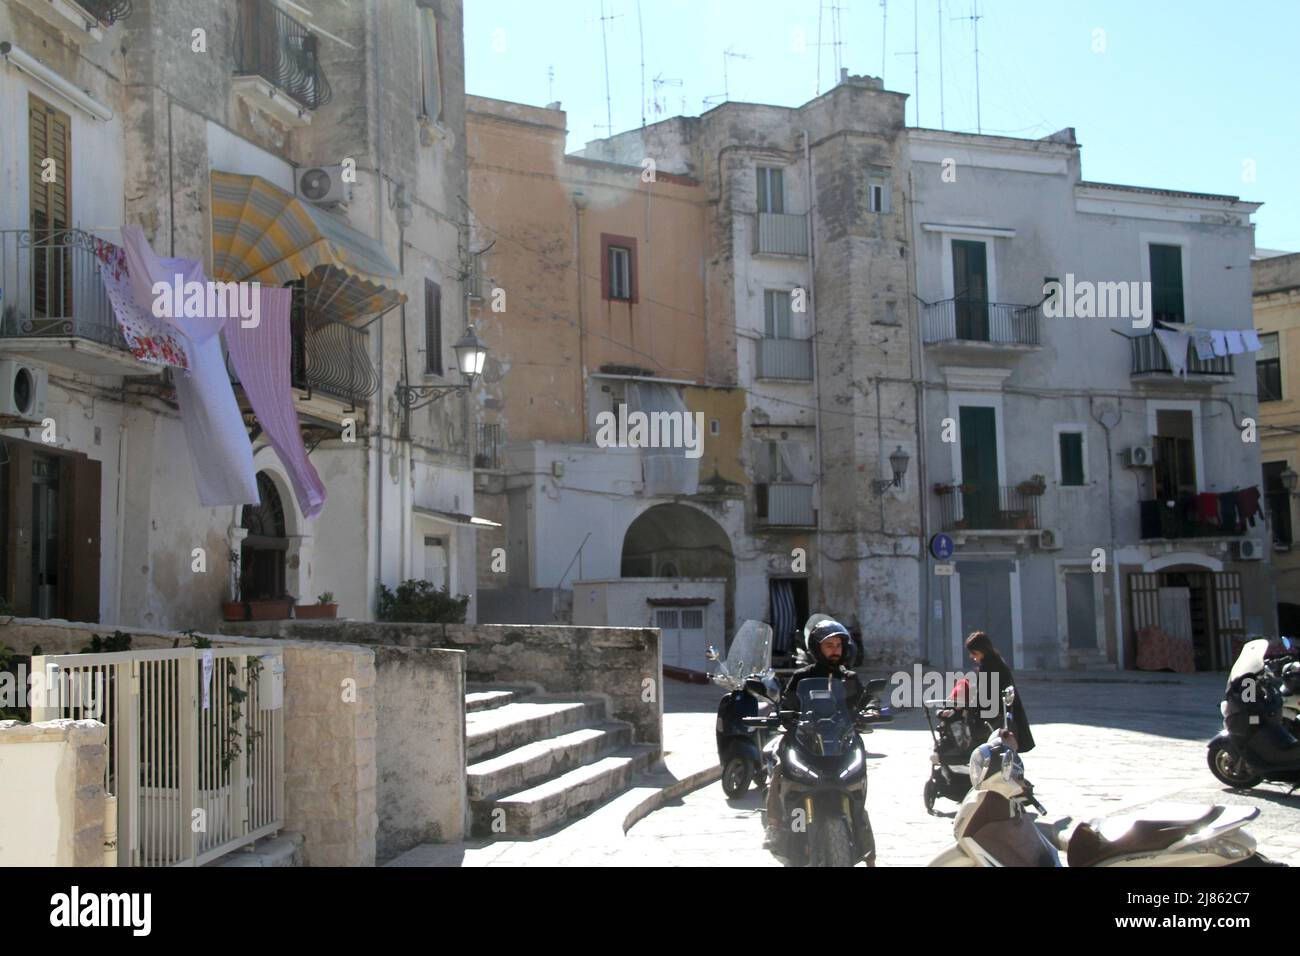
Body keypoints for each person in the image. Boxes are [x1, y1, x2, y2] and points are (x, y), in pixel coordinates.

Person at [764, 617, 876, 862]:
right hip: (806, 742)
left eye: (837, 645)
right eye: (829, 646)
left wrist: (872, 710)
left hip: (841, 743)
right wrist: (780, 715)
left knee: (858, 788)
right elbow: (787, 703)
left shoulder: (850, 678)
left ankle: (867, 847)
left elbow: (865, 703)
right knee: (780, 772)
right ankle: (774, 825)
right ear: (817, 649)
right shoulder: (801, 677)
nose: (834, 650)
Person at [965, 630, 1035, 753]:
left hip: (996, 715)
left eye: (973, 652)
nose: (972, 656)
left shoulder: (989, 666)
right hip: (1002, 712)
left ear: (982, 650)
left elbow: (986, 695)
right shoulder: (995, 661)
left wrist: (969, 708)